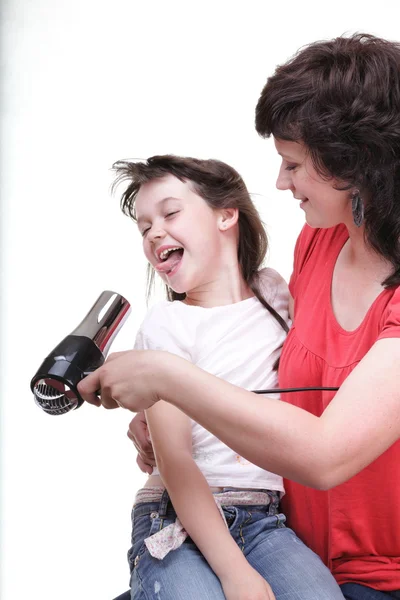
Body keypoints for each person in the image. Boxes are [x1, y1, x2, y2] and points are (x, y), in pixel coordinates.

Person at [78, 33, 400, 600]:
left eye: (293, 164)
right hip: (284, 540)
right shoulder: (315, 246)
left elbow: (326, 453)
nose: (279, 182)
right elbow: (262, 376)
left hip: (369, 577)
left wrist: (167, 378)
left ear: (355, 163)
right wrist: (171, 415)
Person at [107, 154, 344, 600]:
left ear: (227, 214)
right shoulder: (166, 325)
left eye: (170, 213)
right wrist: (235, 573)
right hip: (174, 517)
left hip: (263, 520)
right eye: (144, 227)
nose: (154, 231)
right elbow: (175, 461)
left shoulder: (274, 293)